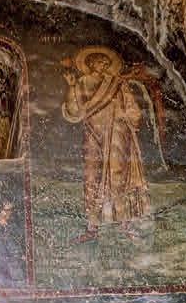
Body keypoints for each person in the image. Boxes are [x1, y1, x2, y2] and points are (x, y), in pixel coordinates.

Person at [61, 46, 162, 242]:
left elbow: (133, 109)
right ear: (90, 63)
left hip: (117, 133)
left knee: (119, 176)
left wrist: (127, 117)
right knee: (92, 177)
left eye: (106, 63)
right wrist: (72, 86)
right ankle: (92, 227)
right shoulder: (82, 82)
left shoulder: (117, 83)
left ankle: (125, 224)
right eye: (100, 62)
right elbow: (74, 110)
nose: (104, 66)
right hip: (93, 134)